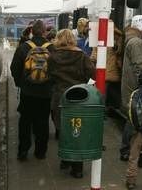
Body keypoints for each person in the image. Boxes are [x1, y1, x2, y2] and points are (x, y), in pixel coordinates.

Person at [47, 29, 95, 178]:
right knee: (77, 130)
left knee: (63, 130)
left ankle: (66, 159)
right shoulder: (81, 55)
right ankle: (77, 168)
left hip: (60, 97)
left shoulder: (53, 57)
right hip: (78, 97)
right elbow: (92, 74)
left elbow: (49, 76)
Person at [10, 20, 55, 161]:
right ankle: (40, 152)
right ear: (44, 32)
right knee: (42, 122)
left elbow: (14, 68)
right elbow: (56, 70)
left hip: (27, 92)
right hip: (45, 93)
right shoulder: (52, 48)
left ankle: (23, 151)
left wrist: (20, 83)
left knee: (25, 121)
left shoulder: (24, 47)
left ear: (31, 31)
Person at [120, 15, 142, 167]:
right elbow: (141, 66)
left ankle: (129, 150)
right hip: (136, 88)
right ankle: (131, 151)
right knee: (135, 120)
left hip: (133, 87)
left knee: (133, 119)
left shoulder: (134, 40)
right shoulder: (137, 43)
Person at [91, 26, 123, 116]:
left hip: (105, 71)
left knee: (102, 92)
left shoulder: (98, 37)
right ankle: (108, 109)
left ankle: (101, 111)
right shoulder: (118, 37)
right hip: (114, 71)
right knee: (110, 93)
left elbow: (94, 56)